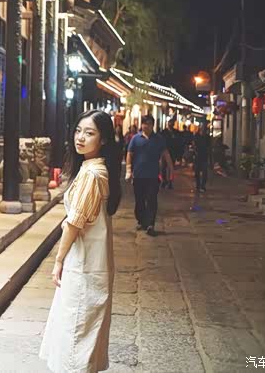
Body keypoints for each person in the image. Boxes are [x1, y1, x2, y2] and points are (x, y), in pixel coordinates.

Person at [40, 110, 122, 373]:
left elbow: (75, 223)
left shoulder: (91, 174)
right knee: (84, 332)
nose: (81, 137)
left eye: (89, 133)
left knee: (75, 334)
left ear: (103, 139)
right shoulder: (95, 169)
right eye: (78, 131)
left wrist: (58, 260)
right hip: (93, 262)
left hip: (84, 262)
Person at [126, 115, 174, 237]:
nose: (146, 126)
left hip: (153, 175)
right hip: (138, 175)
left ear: (153, 125)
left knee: (152, 199)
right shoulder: (136, 139)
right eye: (144, 123)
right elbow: (130, 154)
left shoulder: (158, 139)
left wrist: (171, 168)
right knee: (139, 200)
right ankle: (141, 221)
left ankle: (150, 224)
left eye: (149, 124)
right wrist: (128, 170)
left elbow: (166, 154)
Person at [159, 119, 178, 188]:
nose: (170, 125)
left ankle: (170, 182)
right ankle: (164, 181)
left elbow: (178, 143)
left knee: (171, 167)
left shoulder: (175, 133)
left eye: (172, 124)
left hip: (172, 152)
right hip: (164, 151)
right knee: (163, 167)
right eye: (169, 123)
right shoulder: (164, 132)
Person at [193, 122, 211, 192]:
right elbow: (194, 144)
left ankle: (203, 185)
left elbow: (209, 146)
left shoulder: (207, 137)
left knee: (204, 172)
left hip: (204, 156)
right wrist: (195, 151)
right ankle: (198, 185)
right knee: (197, 171)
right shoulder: (196, 135)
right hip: (198, 156)